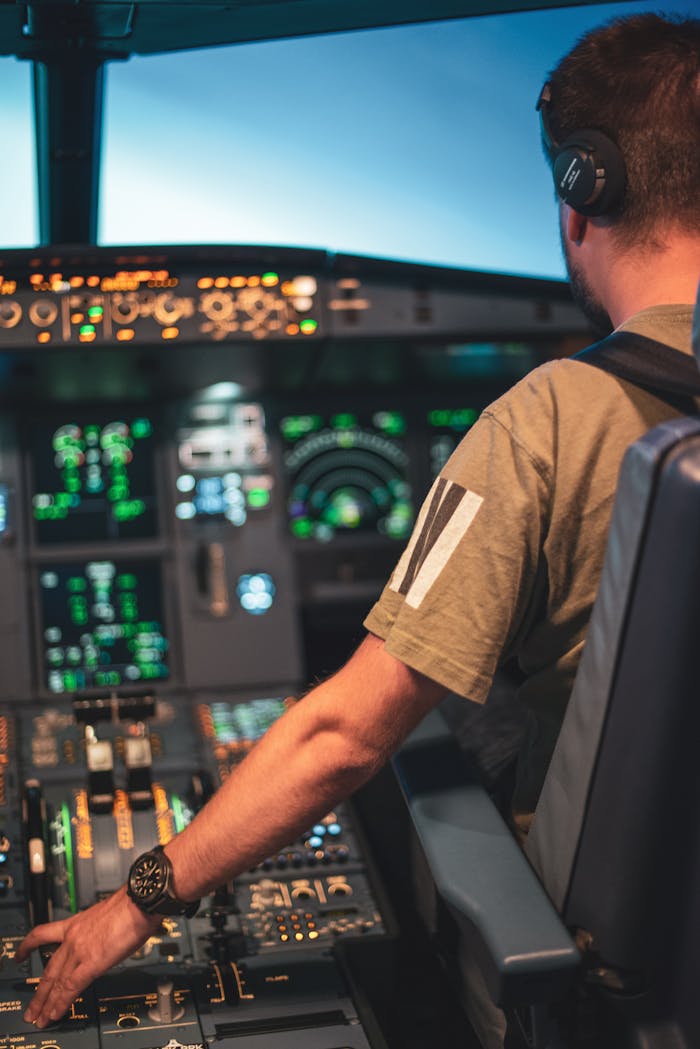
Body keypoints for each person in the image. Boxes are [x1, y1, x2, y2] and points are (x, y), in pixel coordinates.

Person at [17, 11, 700, 1045]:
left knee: (433, 741)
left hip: (610, 965)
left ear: (579, 196)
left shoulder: (549, 421)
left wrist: (139, 895)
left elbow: (342, 738)